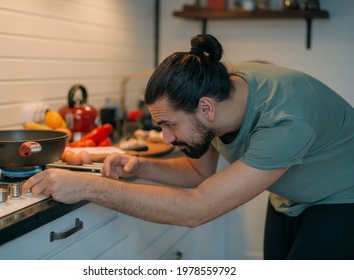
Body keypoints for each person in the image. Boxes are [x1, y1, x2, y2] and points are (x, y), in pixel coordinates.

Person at [23, 34, 354, 260]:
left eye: (170, 124)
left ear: (206, 108)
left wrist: (89, 186)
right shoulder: (220, 90)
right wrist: (142, 166)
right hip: (289, 197)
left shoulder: (286, 122)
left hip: (342, 199)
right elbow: (201, 172)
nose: (166, 138)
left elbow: (197, 208)